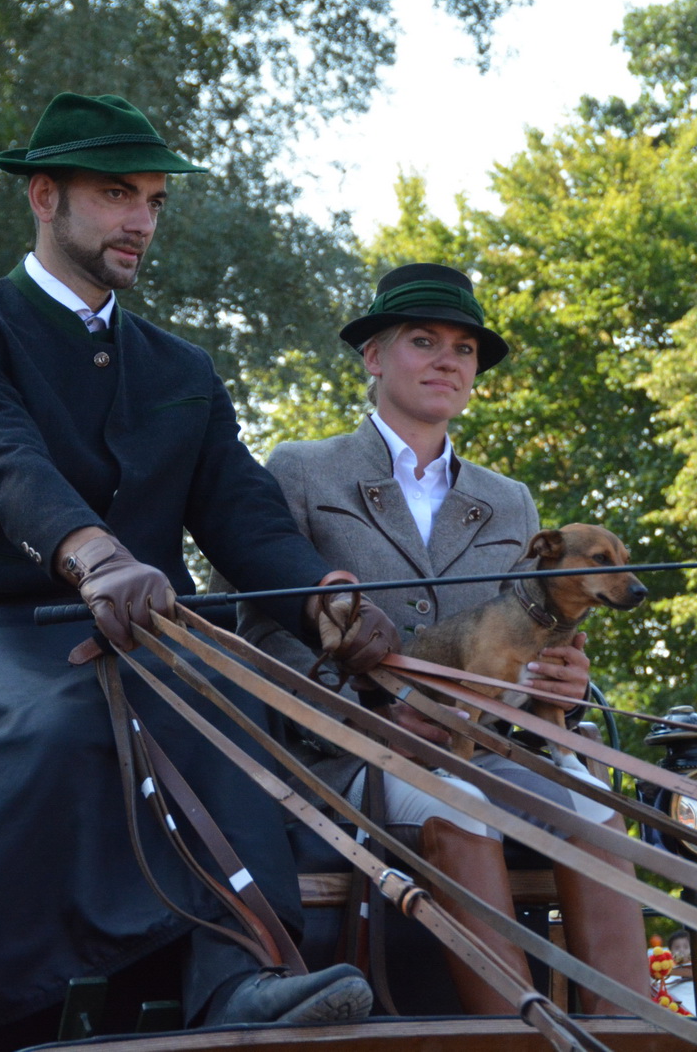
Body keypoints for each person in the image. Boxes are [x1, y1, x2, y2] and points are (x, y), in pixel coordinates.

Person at [0, 92, 399, 1045]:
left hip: (154, 637)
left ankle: (242, 978)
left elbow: (246, 516)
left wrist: (326, 597)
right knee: (53, 726)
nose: (142, 220)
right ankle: (31, 1009)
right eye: (119, 193)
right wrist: (92, 555)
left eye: (156, 201)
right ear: (44, 195)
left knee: (229, 709)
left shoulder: (182, 369)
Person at [237, 263, 651, 1015]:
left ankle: (631, 1030)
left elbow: (541, 627)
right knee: (454, 801)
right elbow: (265, 636)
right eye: (423, 341)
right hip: (353, 755)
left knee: (598, 810)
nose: (446, 361)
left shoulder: (510, 500)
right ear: (373, 356)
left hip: (494, 747)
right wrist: (372, 714)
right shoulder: (302, 470)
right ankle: (518, 1034)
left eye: (463, 349)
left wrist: (568, 684)